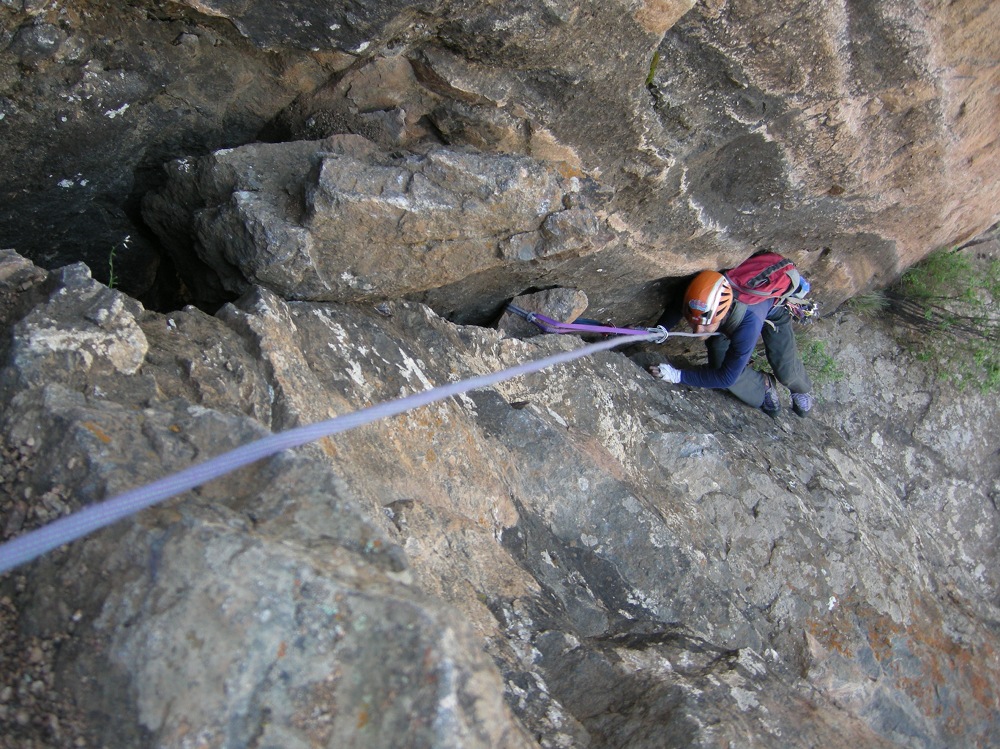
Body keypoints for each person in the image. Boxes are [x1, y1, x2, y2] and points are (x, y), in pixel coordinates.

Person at [647, 270, 814, 416]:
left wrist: (677, 375)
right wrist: (662, 328)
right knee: (719, 362)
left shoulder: (748, 326)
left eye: (705, 324)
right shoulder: (700, 293)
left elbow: (726, 378)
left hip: (774, 312)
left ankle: (801, 388)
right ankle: (762, 386)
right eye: (694, 322)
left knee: (785, 368)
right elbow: (679, 305)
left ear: (722, 313)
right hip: (733, 316)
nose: (697, 331)